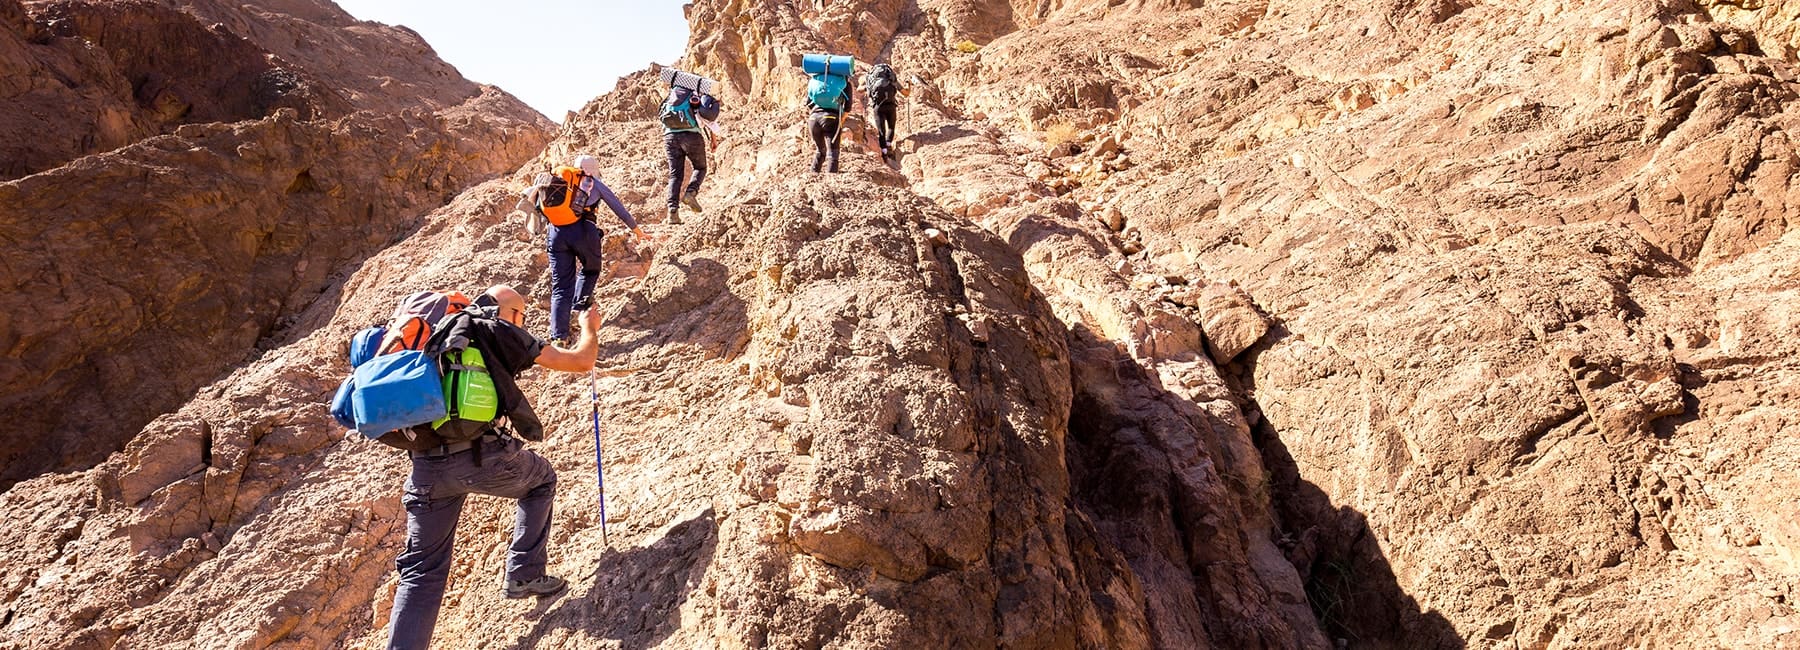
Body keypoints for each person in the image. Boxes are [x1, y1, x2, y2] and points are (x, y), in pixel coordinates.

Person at [385, 285, 603, 650]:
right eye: (522, 317)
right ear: (513, 314)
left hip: (425, 469)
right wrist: (589, 326)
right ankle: (524, 574)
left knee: (421, 574)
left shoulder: (434, 336)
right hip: (482, 456)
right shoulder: (497, 328)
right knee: (541, 480)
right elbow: (581, 361)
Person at [547, 154, 650, 345]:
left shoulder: (562, 182)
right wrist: (636, 229)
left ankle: (558, 337)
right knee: (591, 269)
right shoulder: (593, 182)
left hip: (555, 232)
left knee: (560, 285)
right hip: (583, 230)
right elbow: (617, 207)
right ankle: (579, 306)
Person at [661, 85, 721, 223]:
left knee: (675, 174)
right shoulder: (699, 95)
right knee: (700, 168)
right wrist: (713, 140)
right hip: (691, 135)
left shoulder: (672, 96)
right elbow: (709, 118)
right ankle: (690, 193)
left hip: (669, 137)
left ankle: (672, 213)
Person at [808, 82, 852, 173]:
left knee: (820, 151)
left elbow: (808, 103)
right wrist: (841, 118)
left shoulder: (815, 80)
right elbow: (848, 107)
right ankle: (830, 183)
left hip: (813, 119)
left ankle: (812, 177)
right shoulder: (845, 83)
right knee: (833, 154)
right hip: (831, 118)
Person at [864, 63, 904, 159]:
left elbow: (861, 89)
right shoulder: (891, 79)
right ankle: (888, 144)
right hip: (891, 105)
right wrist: (909, 86)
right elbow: (905, 93)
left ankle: (884, 153)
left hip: (878, 106)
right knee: (891, 127)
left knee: (881, 131)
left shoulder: (871, 80)